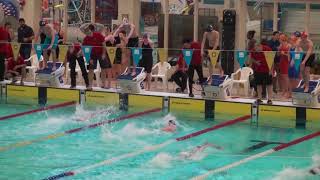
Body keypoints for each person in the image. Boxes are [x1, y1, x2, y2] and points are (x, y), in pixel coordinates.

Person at [82, 24, 108, 90]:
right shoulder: (86, 38)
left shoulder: (98, 35)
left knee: (103, 69)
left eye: (88, 31)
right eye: (86, 31)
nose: (87, 33)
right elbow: (84, 50)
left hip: (101, 53)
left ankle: (103, 83)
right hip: (92, 55)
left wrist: (104, 54)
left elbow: (104, 44)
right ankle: (90, 85)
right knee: (91, 69)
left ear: (92, 30)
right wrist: (89, 58)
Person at [250, 39, 273, 104]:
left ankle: (270, 99)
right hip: (258, 70)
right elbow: (251, 58)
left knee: (269, 84)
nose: (256, 51)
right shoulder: (253, 50)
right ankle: (259, 98)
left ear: (260, 46)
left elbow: (272, 60)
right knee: (258, 84)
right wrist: (256, 62)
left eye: (257, 49)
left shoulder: (268, 49)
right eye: (255, 49)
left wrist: (271, 70)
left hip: (267, 69)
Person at [288, 32, 301, 98]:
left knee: (295, 79)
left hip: (296, 63)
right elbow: (289, 54)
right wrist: (289, 60)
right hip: (291, 63)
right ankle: (290, 93)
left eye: (293, 36)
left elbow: (298, 54)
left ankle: (295, 93)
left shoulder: (298, 45)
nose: (292, 37)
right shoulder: (290, 45)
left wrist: (293, 61)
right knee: (290, 78)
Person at [278, 34, 291, 98]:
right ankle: (283, 90)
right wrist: (279, 51)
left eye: (280, 39)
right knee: (282, 77)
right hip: (282, 62)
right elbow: (278, 54)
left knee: (286, 77)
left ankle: (287, 91)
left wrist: (284, 54)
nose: (279, 40)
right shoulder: (280, 45)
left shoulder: (289, 46)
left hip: (286, 62)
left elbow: (290, 56)